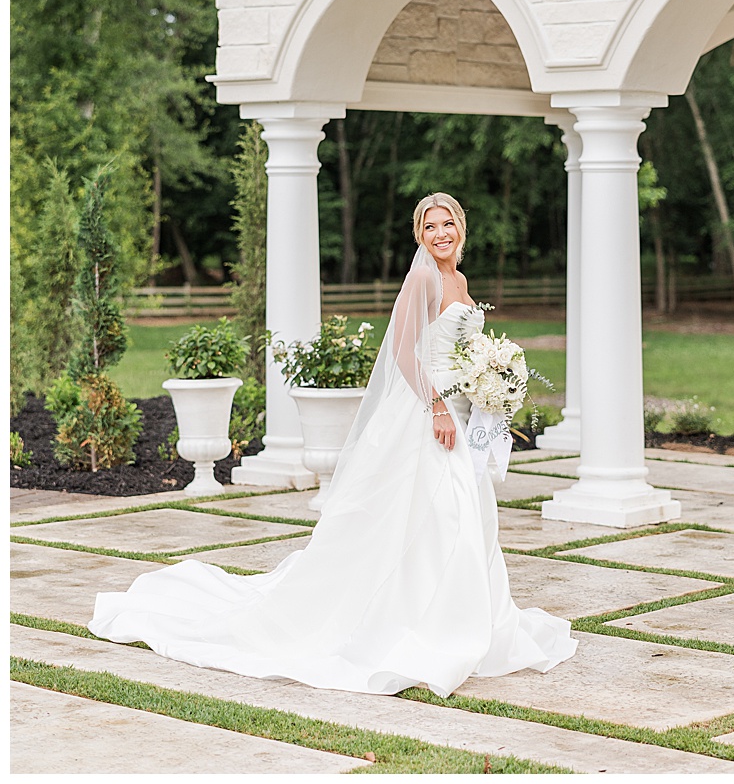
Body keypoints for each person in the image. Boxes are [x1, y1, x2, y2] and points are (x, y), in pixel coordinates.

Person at [89, 192, 576, 695]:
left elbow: (461, 348)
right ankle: (421, 620)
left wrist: (490, 382)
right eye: (430, 227)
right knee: (434, 508)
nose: (440, 233)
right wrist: (435, 406)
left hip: (459, 408)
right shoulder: (422, 278)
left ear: (461, 228)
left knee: (462, 509)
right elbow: (406, 354)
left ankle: (461, 614)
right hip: (427, 412)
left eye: (447, 223)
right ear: (419, 235)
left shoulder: (460, 281)